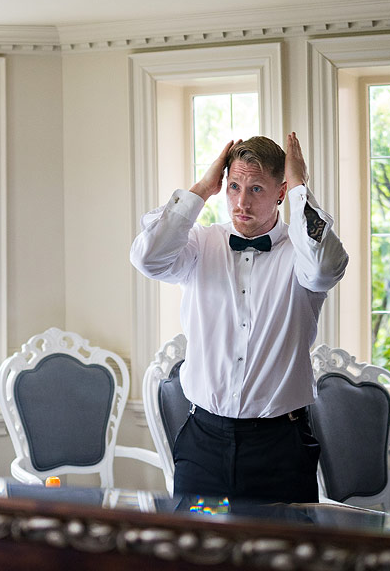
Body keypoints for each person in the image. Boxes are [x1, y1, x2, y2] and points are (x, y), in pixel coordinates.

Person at [130, 133, 348, 503]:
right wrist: (202, 188)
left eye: (257, 189)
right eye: (234, 186)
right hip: (203, 445)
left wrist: (299, 186)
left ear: (280, 193)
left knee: (279, 557)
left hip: (280, 448)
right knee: (197, 551)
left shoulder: (302, 254)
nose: (241, 202)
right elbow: (148, 257)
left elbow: (328, 266)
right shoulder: (200, 245)